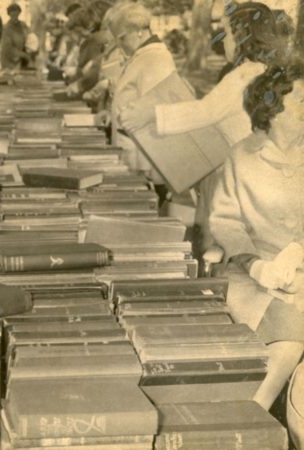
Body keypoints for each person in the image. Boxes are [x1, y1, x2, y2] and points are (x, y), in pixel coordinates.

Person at [119, 2, 289, 252]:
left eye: (227, 34)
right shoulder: (261, 72)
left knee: (219, 244)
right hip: (243, 174)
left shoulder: (244, 74)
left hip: (234, 178)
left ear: (243, 36)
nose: (223, 41)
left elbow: (206, 112)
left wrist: (150, 113)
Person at [209, 62, 304, 411]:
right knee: (282, 344)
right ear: (274, 109)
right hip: (255, 279)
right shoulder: (242, 156)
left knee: (293, 330)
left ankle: (254, 419)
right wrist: (256, 265)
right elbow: (224, 221)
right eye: (302, 100)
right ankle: (251, 420)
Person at [108, 1, 176, 195]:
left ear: (138, 30)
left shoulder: (155, 58)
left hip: (145, 162)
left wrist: (148, 170)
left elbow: (156, 113)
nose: (119, 45)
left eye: (121, 38)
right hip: (135, 155)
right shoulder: (143, 56)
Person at [0, 3, 30, 71]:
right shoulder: (7, 28)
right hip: (9, 61)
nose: (15, 15)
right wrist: (23, 55)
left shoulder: (23, 25)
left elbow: (29, 39)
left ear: (19, 13)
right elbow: (8, 48)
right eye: (12, 13)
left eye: (17, 12)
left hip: (21, 60)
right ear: (9, 14)